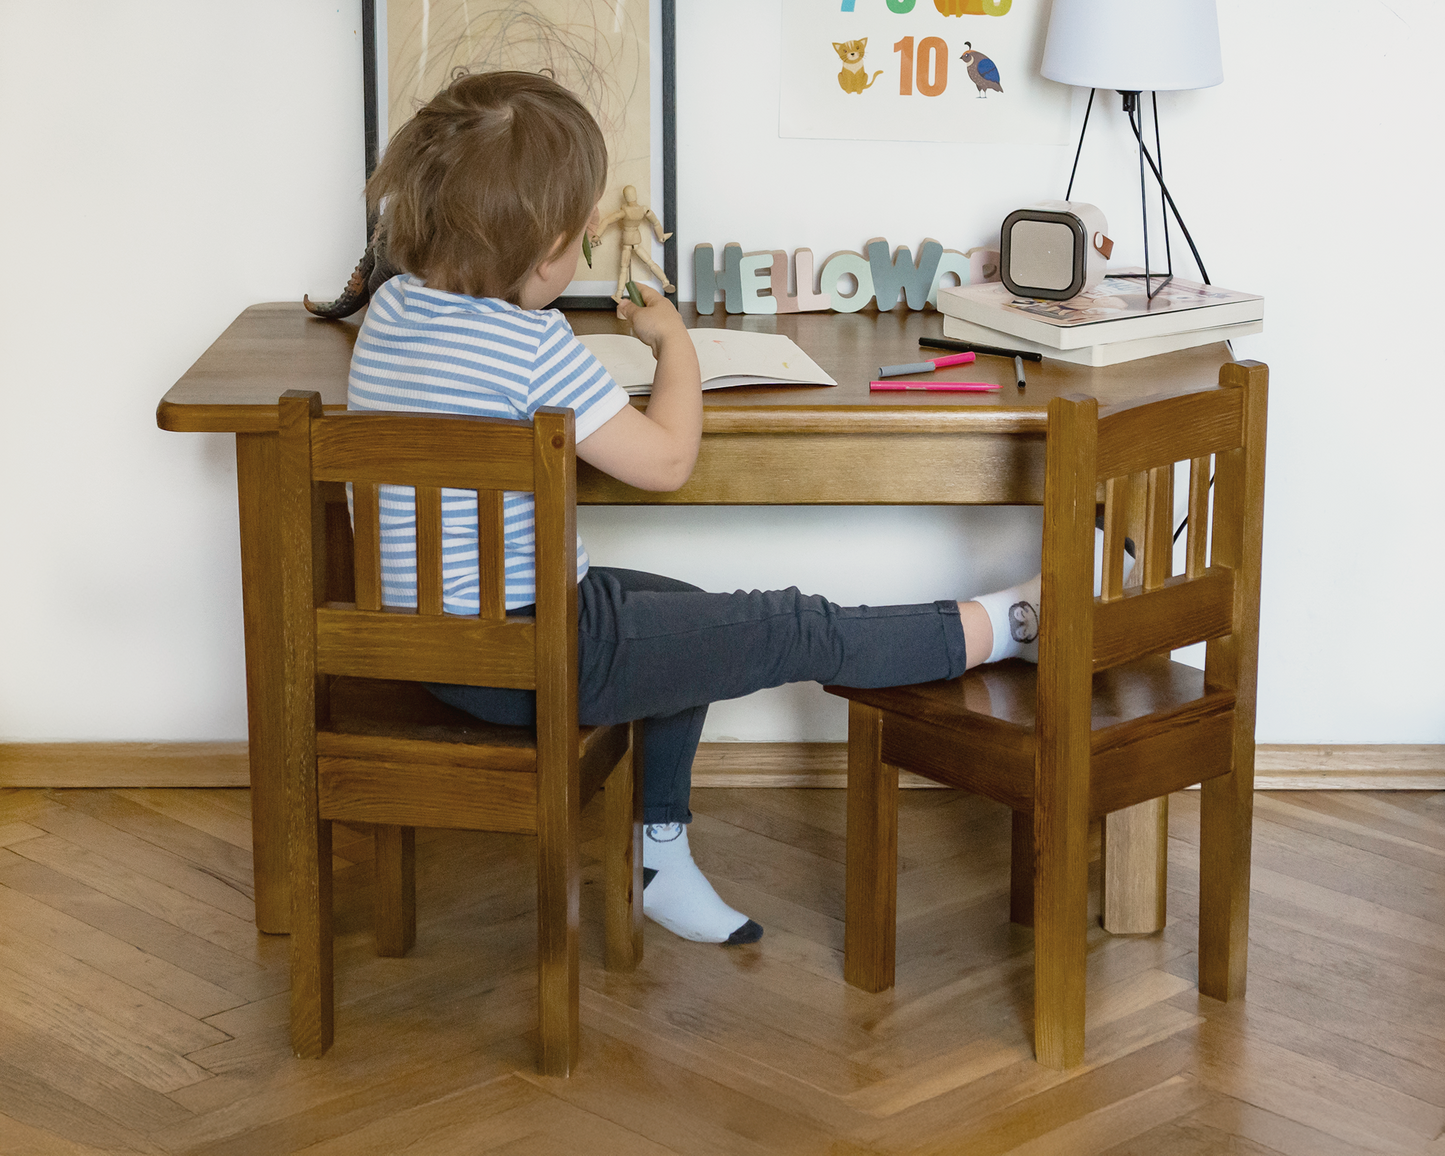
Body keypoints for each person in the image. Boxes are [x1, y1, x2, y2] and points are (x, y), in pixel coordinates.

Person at [348, 70, 1119, 948]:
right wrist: (673, 341)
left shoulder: (390, 309)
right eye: (582, 226)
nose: (595, 232)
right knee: (790, 624)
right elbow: (669, 459)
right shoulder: (533, 345)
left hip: (436, 644)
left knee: (690, 622)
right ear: (541, 246)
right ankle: (1013, 621)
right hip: (532, 651)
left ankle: (658, 857)